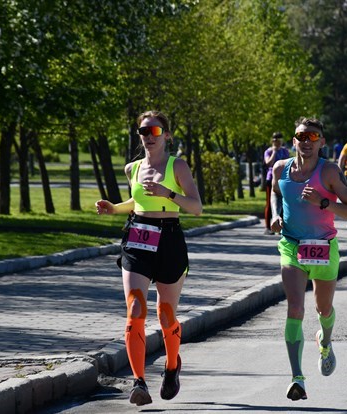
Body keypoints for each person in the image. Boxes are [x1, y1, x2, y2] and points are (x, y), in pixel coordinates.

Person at [95, 111, 203, 406]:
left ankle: (171, 366)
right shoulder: (133, 168)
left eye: (154, 130)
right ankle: (139, 382)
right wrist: (114, 208)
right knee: (135, 309)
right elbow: (138, 202)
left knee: (165, 314)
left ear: (166, 135)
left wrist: (169, 193)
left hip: (169, 238)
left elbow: (196, 207)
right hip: (138, 237)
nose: (148, 135)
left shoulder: (177, 165)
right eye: (143, 130)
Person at [270, 117, 347, 401]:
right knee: (295, 308)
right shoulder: (280, 168)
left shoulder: (330, 171)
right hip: (292, 245)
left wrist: (323, 202)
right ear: (293, 140)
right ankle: (297, 378)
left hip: (323, 246)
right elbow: (275, 193)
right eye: (301, 136)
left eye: (313, 137)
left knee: (323, 308)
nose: (306, 142)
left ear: (322, 141)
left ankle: (325, 341)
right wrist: (275, 215)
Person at [263, 132, 291, 235]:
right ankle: (268, 227)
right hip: (271, 178)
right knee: (270, 204)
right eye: (275, 140)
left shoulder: (285, 151)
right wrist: (274, 151)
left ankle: (281, 226)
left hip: (283, 179)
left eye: (279, 140)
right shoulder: (268, 151)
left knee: (284, 204)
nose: (278, 142)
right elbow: (268, 163)